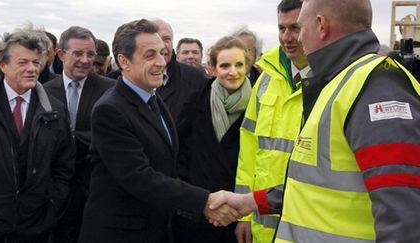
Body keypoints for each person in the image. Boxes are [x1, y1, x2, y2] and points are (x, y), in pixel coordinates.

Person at [212, 0, 420, 242]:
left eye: (300, 27)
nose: (296, 39)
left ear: (321, 25)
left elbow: (405, 218)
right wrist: (251, 201)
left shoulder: (377, 88)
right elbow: (314, 184)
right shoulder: (340, 83)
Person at [78, 19, 239, 243]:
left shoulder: (153, 98)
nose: (161, 62)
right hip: (121, 233)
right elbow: (140, 177)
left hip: (155, 227)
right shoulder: (110, 110)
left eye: (163, 53)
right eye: (150, 55)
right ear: (124, 61)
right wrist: (204, 201)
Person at [0, 26, 75, 242]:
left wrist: (52, 205)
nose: (32, 69)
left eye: (36, 62)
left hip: (36, 227)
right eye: (23, 62)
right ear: (3, 65)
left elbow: (64, 164)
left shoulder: (54, 110)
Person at [234, 1, 308, 242]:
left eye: (295, 28)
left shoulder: (334, 79)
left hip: (306, 223)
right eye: (281, 28)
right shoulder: (266, 80)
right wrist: (243, 215)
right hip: (261, 224)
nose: (287, 37)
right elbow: (249, 151)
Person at [173, 36, 252, 243]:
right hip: (199, 215)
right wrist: (194, 203)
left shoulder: (260, 105)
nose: (232, 72)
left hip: (241, 215)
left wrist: (248, 214)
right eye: (224, 65)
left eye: (238, 65)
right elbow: (179, 154)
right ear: (212, 68)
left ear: (247, 67)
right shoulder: (195, 101)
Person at [43, 26, 115, 243]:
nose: (86, 60)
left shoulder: (110, 90)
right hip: (53, 191)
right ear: (61, 54)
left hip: (95, 190)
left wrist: (74, 138)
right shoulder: (43, 92)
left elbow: (113, 136)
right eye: (78, 53)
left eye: (90, 54)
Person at [152, 18, 208, 124]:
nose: (163, 45)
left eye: (166, 39)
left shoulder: (196, 79)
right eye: (157, 38)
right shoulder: (122, 80)